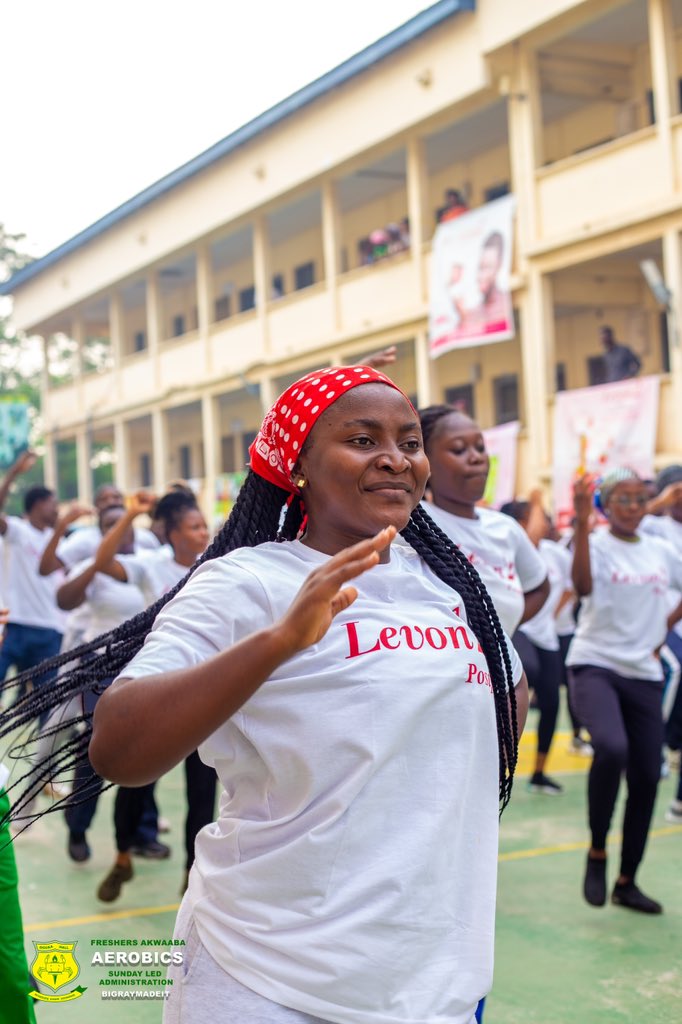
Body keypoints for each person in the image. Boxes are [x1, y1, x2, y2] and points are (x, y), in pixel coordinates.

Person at [4, 366, 528, 1024]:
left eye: (408, 441)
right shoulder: (247, 583)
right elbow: (117, 745)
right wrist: (279, 642)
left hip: (433, 983)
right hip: (268, 978)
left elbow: (495, 704)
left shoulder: (450, 586)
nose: (395, 459)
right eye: (362, 440)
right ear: (298, 465)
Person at [85, 490, 213, 900]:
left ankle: (190, 874)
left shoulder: (216, 564)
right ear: (172, 533)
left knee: (202, 794)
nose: (203, 532)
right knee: (136, 785)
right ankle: (123, 856)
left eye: (203, 525)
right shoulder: (149, 566)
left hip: (201, 694)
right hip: (154, 694)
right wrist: (131, 518)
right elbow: (102, 563)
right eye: (194, 526)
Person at [567, 469, 682, 914]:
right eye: (624, 500)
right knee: (612, 749)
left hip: (644, 672)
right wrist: (579, 524)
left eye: (640, 499)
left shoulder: (660, 549)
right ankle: (597, 851)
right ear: (606, 506)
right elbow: (582, 587)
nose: (633, 508)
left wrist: (662, 629)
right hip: (595, 663)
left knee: (648, 777)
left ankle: (627, 880)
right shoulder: (594, 543)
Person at [418, 405, 549, 639]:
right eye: (458, 450)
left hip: (498, 665)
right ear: (425, 462)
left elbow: (539, 586)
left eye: (480, 447)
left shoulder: (505, 527)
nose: (476, 457)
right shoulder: (415, 522)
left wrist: (499, 631)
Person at [500, 494, 569, 794]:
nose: (546, 521)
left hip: (547, 637)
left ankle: (539, 772)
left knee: (553, 705)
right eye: (537, 516)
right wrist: (539, 497)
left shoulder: (556, 554)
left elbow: (570, 587)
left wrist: (551, 615)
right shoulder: (511, 550)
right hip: (519, 633)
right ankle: (500, 763)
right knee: (527, 675)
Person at [0, 451, 65, 711]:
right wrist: (13, 473)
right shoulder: (18, 531)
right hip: (15, 626)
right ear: (38, 504)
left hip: (48, 630)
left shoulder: (59, 537)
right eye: (53, 503)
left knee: (46, 704)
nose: (57, 509)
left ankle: (39, 752)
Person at [640, 464, 682, 822]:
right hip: (657, 622)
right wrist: (661, 501)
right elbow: (626, 520)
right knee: (671, 668)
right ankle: (655, 746)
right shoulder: (654, 525)